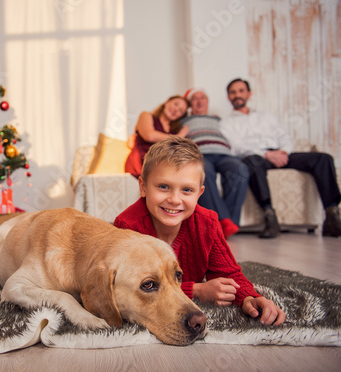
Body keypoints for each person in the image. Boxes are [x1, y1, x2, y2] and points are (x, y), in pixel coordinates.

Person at [114, 137, 286, 326]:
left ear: (199, 193)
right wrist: (196, 290)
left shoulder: (208, 223)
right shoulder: (128, 226)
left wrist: (249, 298)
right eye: (163, 187)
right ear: (143, 187)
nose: (174, 199)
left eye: (187, 190)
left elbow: (229, 274)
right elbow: (129, 289)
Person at [220, 78, 341, 239]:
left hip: (280, 153)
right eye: (233, 92)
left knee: (323, 159)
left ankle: (332, 214)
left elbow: (283, 135)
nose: (237, 95)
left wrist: (283, 151)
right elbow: (236, 146)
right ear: (228, 97)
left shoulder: (266, 116)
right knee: (251, 162)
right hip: (257, 157)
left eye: (241, 91)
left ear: (249, 93)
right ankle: (270, 215)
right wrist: (267, 155)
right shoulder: (226, 123)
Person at [182, 88, 249, 239]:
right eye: (195, 98)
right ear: (190, 104)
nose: (199, 101)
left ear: (207, 102)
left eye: (203, 97)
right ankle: (222, 221)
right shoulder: (183, 121)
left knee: (241, 169)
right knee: (203, 172)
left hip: (224, 154)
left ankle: (229, 223)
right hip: (200, 153)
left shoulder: (219, 119)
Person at [125, 95, 189, 178]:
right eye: (176, 104)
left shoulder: (174, 131)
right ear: (167, 102)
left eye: (181, 111)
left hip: (162, 164)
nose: (176, 110)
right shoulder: (146, 115)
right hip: (142, 161)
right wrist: (178, 137)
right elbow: (149, 135)